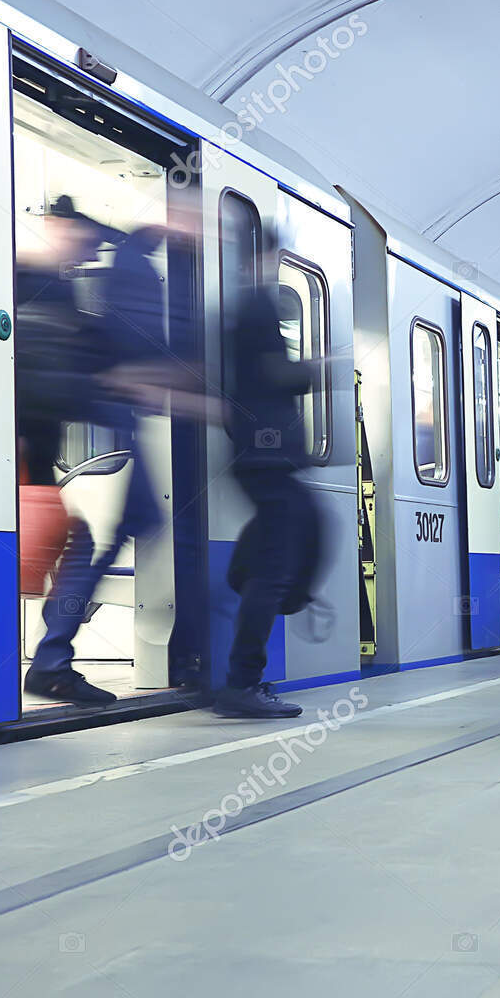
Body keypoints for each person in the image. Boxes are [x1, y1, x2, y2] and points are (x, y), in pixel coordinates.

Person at [19, 196, 168, 706]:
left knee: (78, 544)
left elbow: (88, 359)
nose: (84, 252)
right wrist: (116, 404)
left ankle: (51, 663)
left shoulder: (52, 289)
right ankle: (48, 665)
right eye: (79, 239)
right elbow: (56, 377)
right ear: (52, 227)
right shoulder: (22, 281)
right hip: (14, 464)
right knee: (65, 548)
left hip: (30, 464)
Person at [214, 252, 323, 718]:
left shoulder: (247, 308)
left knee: (300, 529)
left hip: (263, 454)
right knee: (277, 565)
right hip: (267, 454)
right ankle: (242, 683)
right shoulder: (257, 307)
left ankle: (247, 576)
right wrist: (319, 367)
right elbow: (271, 375)